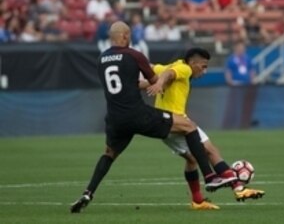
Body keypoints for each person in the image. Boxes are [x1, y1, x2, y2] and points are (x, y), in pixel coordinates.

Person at [70, 21, 236, 213]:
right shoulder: (134, 55)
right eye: (129, 35)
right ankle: (210, 176)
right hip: (137, 114)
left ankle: (88, 192)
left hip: (115, 118)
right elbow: (157, 80)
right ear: (125, 36)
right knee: (189, 126)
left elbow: (129, 84)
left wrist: (153, 81)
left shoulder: (101, 59)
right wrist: (161, 83)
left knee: (109, 155)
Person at [144, 48, 265, 210]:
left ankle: (198, 201)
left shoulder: (170, 66)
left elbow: (153, 68)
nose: (205, 71)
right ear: (193, 63)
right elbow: (169, 74)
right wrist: (159, 82)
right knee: (210, 150)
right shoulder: (184, 68)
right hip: (176, 122)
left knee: (193, 159)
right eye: (203, 66)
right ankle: (237, 188)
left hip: (166, 125)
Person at [223, 40, 258, 129]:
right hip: (236, 86)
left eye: (242, 48)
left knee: (246, 105)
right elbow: (228, 71)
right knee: (235, 106)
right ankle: (233, 124)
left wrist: (252, 80)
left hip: (246, 85)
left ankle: (245, 123)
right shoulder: (231, 59)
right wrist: (229, 81)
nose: (241, 50)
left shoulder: (247, 58)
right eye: (239, 48)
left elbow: (252, 70)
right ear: (235, 48)